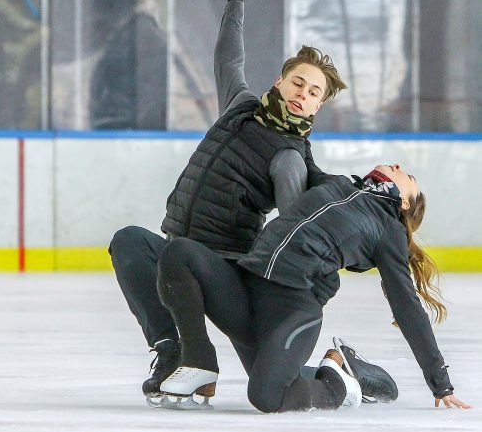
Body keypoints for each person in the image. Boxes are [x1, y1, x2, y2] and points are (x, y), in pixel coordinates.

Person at [109, 0, 392, 404]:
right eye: (298, 82)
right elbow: (228, 56)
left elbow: (295, 233)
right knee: (130, 242)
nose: (303, 93)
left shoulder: (288, 158)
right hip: (180, 254)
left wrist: (296, 299)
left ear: (316, 108)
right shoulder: (239, 106)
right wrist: (235, 2)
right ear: (280, 81)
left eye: (314, 92)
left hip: (226, 270)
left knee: (280, 383)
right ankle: (171, 351)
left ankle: (344, 373)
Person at [157, 164, 472, 412]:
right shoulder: (337, 183)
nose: (398, 166)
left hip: (292, 309)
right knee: (180, 252)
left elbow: (406, 304)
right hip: (246, 286)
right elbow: (296, 154)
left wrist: (440, 383)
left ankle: (339, 382)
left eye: (409, 176)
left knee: (267, 396)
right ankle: (197, 358)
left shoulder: (388, 229)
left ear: (404, 201)